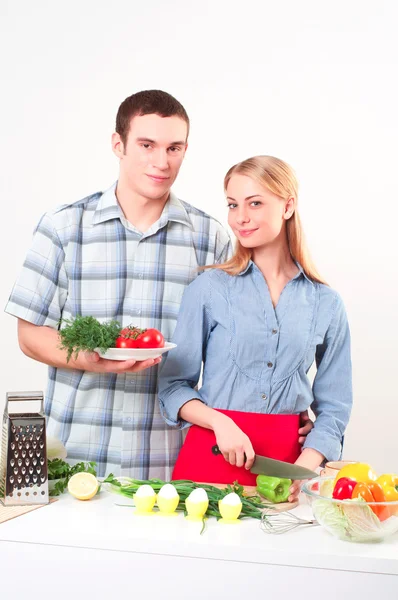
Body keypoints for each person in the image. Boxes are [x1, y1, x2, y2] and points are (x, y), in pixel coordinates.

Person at [5, 93, 312, 481]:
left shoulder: (210, 239)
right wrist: (91, 359)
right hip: (74, 452)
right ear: (118, 145)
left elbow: (247, 340)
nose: (161, 162)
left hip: (168, 461)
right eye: (146, 145)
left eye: (174, 148)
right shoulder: (63, 228)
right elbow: (30, 335)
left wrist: (284, 410)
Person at [158, 155, 352, 501]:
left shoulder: (326, 303)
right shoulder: (209, 288)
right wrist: (220, 422)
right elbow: (173, 386)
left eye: (255, 203)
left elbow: (335, 405)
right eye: (233, 204)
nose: (240, 217)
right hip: (210, 455)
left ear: (288, 206)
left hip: (287, 469)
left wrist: (305, 466)